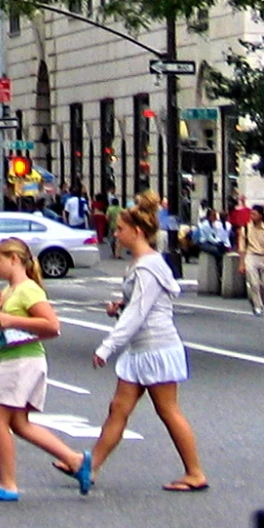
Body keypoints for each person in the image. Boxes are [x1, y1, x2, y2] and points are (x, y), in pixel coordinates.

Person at [86, 207, 206, 493]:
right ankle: (88, 468)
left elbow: (139, 312)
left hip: (156, 345)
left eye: (120, 230)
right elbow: (138, 306)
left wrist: (107, 346)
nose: (116, 234)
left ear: (137, 231)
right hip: (141, 347)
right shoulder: (141, 263)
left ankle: (195, 472)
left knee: (167, 409)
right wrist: (121, 306)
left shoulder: (148, 266)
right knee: (118, 408)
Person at [0, 236, 90, 502]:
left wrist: (9, 318)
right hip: (15, 358)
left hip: (21, 360)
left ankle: (7, 483)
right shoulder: (9, 291)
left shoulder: (28, 290)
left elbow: (51, 325)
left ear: (14, 259)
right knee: (19, 423)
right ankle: (74, 460)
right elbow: (3, 326)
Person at [239, 204, 264, 315]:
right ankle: (258, 306)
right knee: (254, 282)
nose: (252, 216)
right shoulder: (245, 228)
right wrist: (242, 263)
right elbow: (242, 247)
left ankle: (258, 301)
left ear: (260, 216)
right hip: (251, 255)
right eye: (251, 214)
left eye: (254, 214)